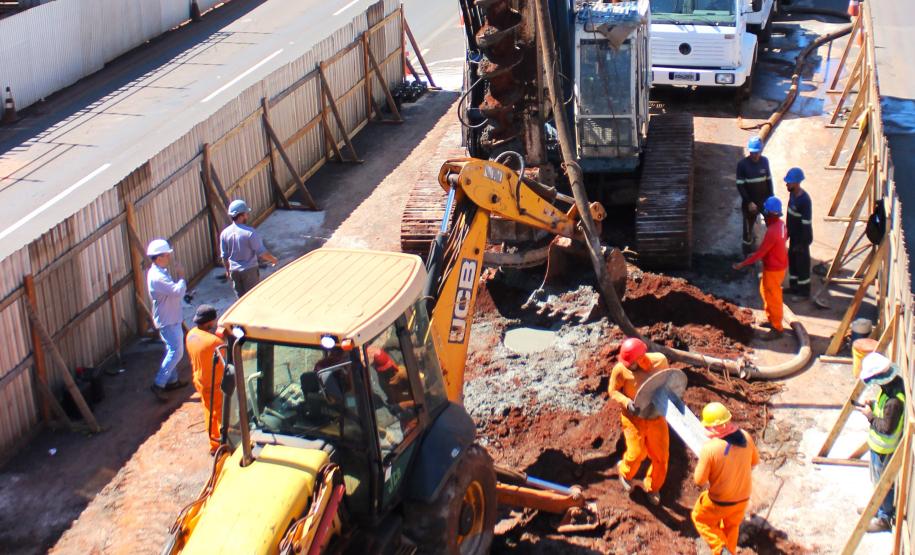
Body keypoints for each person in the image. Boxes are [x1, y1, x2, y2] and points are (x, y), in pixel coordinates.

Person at [608, 337, 670, 506]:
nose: (627, 365)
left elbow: (668, 383)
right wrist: (627, 402)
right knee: (636, 454)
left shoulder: (660, 361)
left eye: (631, 362)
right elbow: (613, 391)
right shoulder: (620, 370)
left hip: (655, 416)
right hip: (633, 418)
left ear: (641, 357)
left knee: (661, 458)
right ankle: (625, 473)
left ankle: (653, 487)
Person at [692, 402, 760, 555]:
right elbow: (754, 461)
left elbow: (699, 480)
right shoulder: (746, 437)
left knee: (700, 518)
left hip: (720, 501)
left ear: (713, 426)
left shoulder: (710, 449)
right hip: (743, 499)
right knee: (731, 527)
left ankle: (721, 549)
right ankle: (729, 551)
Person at [856, 352, 906, 533]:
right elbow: (884, 414)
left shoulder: (894, 402)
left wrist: (870, 417)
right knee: (876, 481)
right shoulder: (891, 389)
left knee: (883, 483)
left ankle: (884, 518)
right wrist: (874, 406)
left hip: (884, 449)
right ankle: (876, 509)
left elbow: (886, 427)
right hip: (878, 447)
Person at [732, 196, 788, 340]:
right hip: (778, 265)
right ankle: (771, 318)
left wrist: (742, 264)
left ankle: (777, 328)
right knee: (764, 291)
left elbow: (760, 253)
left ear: (769, 213)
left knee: (774, 298)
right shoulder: (781, 225)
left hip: (774, 269)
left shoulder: (772, 231)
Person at [146, 239, 188, 402]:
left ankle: (172, 380)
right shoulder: (158, 277)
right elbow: (177, 292)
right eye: (166, 255)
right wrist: (182, 277)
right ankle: (159, 383)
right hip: (168, 319)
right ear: (159, 257)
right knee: (176, 351)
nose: (169, 257)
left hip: (170, 316)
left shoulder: (159, 272)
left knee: (173, 349)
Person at [185, 304, 224, 453]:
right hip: (213, 384)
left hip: (199, 380)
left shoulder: (191, 334)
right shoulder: (214, 343)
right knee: (220, 415)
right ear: (209, 322)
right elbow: (230, 358)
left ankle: (214, 443)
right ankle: (221, 444)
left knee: (209, 411)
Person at [219, 199, 278, 298]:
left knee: (241, 301)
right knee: (252, 298)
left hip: (234, 272)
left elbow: (224, 256)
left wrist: (228, 271)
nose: (247, 215)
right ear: (241, 215)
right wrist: (273, 259)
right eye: (246, 213)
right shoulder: (250, 233)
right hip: (249, 271)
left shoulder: (224, 233)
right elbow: (261, 252)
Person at [736, 136, 774, 255]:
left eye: (757, 152)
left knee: (772, 224)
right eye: (752, 152)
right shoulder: (742, 165)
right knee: (748, 229)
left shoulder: (765, 161)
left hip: (764, 200)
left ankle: (771, 248)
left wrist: (771, 199)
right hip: (750, 202)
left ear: (761, 151)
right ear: (749, 151)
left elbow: (769, 181)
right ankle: (747, 253)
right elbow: (740, 186)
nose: (755, 155)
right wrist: (748, 202)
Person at [784, 167, 813, 301]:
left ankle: (804, 292)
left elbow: (806, 224)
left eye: (789, 182)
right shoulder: (792, 195)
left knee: (802, 265)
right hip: (794, 237)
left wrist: (803, 243)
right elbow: (790, 216)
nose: (787, 184)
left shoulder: (804, 200)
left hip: (802, 239)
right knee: (793, 261)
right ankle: (794, 286)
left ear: (796, 183)